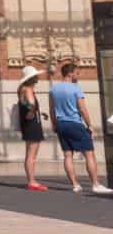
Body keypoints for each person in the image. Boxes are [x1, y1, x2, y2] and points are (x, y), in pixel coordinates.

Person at [48, 61, 111, 194]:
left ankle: (75, 185)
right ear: (70, 74)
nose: (79, 76)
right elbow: (82, 109)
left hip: (61, 124)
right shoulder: (75, 88)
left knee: (67, 154)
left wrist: (54, 124)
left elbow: (52, 109)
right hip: (75, 123)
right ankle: (95, 184)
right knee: (89, 154)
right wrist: (90, 124)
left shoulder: (53, 89)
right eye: (77, 73)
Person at [17, 65, 48, 190]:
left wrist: (38, 112)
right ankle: (32, 181)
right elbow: (31, 104)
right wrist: (33, 111)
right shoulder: (28, 89)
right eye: (35, 76)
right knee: (32, 155)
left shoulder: (21, 89)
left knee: (29, 153)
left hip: (27, 124)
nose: (37, 78)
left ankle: (31, 180)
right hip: (33, 125)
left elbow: (24, 105)